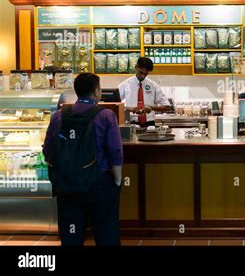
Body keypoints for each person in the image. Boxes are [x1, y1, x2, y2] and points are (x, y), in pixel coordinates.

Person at [43, 73, 123, 246]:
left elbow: (48, 150)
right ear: (96, 91)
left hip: (67, 183)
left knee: (71, 231)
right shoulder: (106, 115)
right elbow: (115, 152)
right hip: (99, 182)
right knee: (105, 230)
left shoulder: (58, 115)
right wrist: (117, 180)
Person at [118, 57, 171, 127]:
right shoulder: (125, 85)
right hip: (132, 123)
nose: (143, 76)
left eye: (145, 74)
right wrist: (128, 108)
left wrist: (152, 108)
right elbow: (113, 105)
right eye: (141, 72)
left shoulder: (153, 85)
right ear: (136, 67)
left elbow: (167, 107)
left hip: (150, 124)